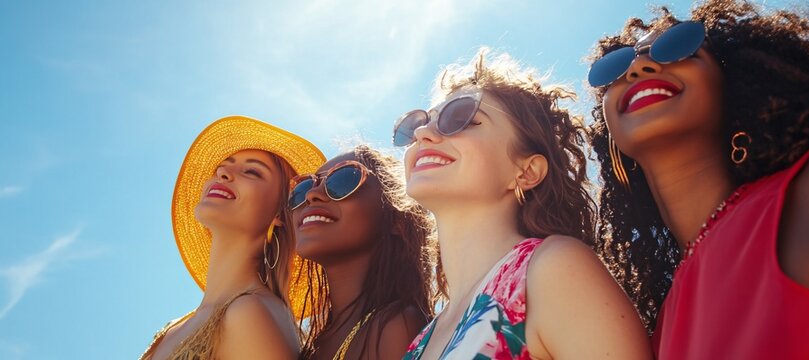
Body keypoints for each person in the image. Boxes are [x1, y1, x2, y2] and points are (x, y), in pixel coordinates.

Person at [586, 0, 809, 358]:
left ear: (732, 83)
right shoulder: (656, 336)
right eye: (612, 68)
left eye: (677, 45)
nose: (639, 67)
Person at [395, 49, 651, 359]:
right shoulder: (420, 342)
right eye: (420, 124)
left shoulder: (553, 269)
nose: (423, 133)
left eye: (461, 118)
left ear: (527, 171)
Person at [141, 116, 324, 359]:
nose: (223, 172)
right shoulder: (176, 326)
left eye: (251, 171)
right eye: (222, 165)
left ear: (281, 212)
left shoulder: (249, 313)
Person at [289, 145, 434, 359]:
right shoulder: (315, 341)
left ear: (397, 219)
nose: (311, 194)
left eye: (343, 180)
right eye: (302, 189)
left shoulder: (396, 326)